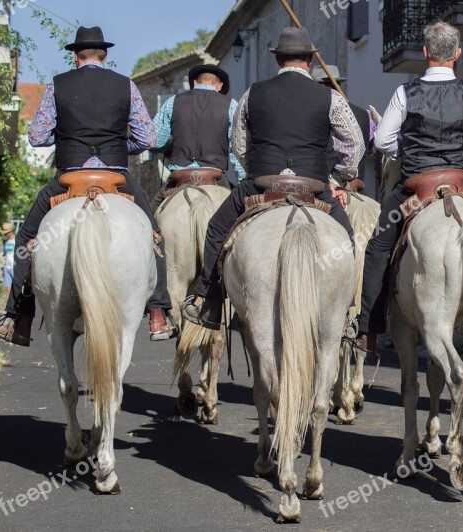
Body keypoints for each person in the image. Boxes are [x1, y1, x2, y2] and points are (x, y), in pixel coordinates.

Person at [0, 26, 178, 346]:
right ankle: (158, 313)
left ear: (75, 55)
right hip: (116, 178)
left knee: (26, 239)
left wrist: (68, 137)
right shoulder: (126, 86)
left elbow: (37, 137)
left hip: (70, 177)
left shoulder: (58, 86)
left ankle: (18, 318)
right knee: (155, 237)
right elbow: (147, 139)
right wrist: (120, 147)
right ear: (104, 56)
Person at [182, 27, 365, 329]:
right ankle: (346, 311)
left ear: (278, 59)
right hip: (314, 186)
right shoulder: (330, 97)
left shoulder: (253, 93)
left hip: (261, 182)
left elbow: (238, 144)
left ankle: (210, 302)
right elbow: (354, 145)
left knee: (216, 229)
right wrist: (338, 177)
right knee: (346, 239)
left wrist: (255, 168)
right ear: (309, 61)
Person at [356, 21, 463, 352]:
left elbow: (384, 140)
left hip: (417, 186)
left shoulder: (405, 93)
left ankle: (369, 329)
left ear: (424, 53)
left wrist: (407, 150)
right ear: (457, 54)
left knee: (377, 246)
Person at [150, 64, 246, 211]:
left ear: (195, 83)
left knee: (150, 219)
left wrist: (168, 148)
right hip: (215, 176)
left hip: (179, 176)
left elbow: (154, 141)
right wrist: (242, 182)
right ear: (219, 86)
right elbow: (237, 149)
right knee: (239, 219)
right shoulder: (231, 105)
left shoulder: (172, 102)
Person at [311, 64, 373, 186]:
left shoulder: (310, 112)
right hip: (353, 184)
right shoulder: (362, 114)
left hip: (319, 183)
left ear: (319, 87)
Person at [1, 223, 15, 298]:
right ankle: (10, 306)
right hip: (7, 267)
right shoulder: (6, 242)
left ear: (11, 232)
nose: (6, 235)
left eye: (6, 233)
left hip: (14, 267)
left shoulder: (17, 240)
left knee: (15, 287)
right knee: (7, 287)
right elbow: (3, 253)